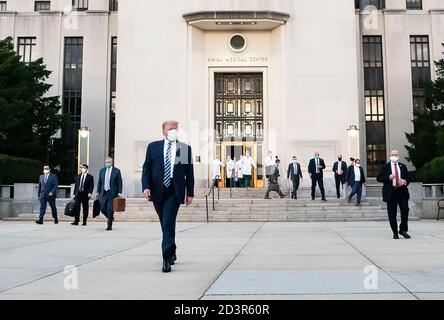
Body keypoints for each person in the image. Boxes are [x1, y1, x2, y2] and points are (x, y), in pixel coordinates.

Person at [142, 120, 194, 273]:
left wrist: (189, 193)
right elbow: (147, 168)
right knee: (166, 224)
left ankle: (166, 258)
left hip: (174, 190)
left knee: (167, 222)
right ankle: (172, 249)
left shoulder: (184, 149)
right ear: (164, 131)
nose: (174, 131)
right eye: (171, 129)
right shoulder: (153, 147)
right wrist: (145, 186)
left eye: (176, 129)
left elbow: (189, 173)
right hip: (157, 191)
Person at [377, 150, 411, 240]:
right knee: (392, 214)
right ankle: (395, 232)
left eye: (395, 155)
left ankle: (403, 230)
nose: (394, 156)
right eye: (392, 155)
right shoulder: (385, 167)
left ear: (398, 155)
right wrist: (388, 177)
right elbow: (379, 178)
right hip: (391, 192)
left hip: (402, 192)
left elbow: (408, 178)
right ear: (390, 156)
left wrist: (405, 182)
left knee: (405, 210)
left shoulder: (403, 166)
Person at [96, 157, 123, 231]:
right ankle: (111, 217)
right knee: (102, 208)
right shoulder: (102, 171)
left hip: (112, 193)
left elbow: (119, 182)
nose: (107, 163)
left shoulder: (116, 171)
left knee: (110, 209)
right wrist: (97, 191)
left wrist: (120, 192)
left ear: (111, 162)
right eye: (106, 162)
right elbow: (99, 182)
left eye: (109, 162)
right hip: (103, 192)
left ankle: (109, 225)